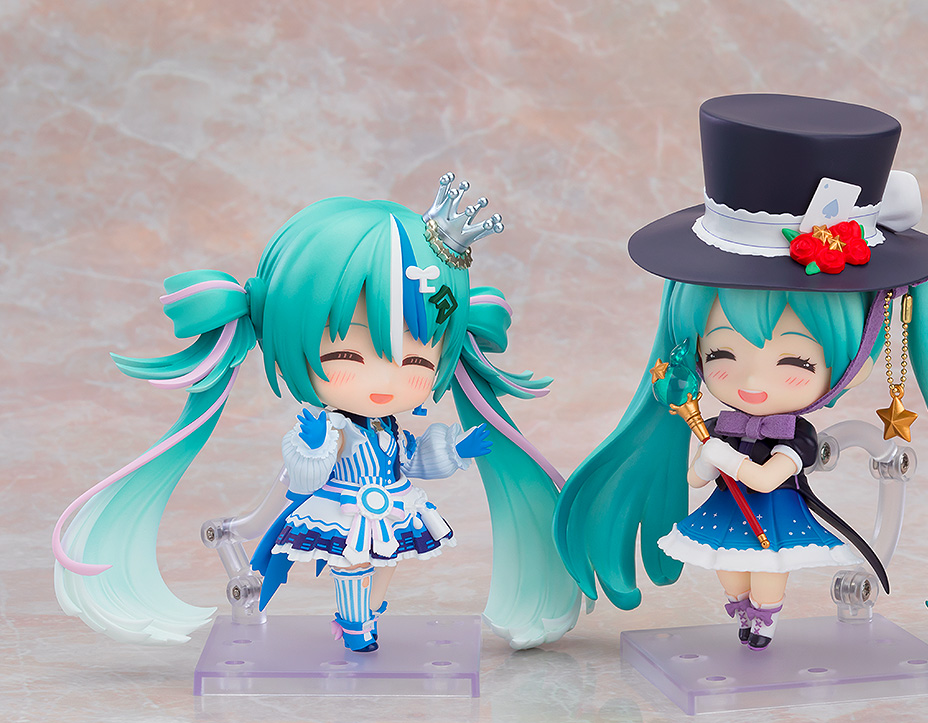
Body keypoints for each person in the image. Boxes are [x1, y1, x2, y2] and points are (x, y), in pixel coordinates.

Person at [554, 94, 928, 649]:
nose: (751, 383)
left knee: (768, 574)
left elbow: (769, 479)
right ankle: (742, 613)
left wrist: (724, 457)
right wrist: (707, 457)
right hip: (728, 513)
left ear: (854, 366)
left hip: (774, 514)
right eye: (720, 356)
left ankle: (762, 619)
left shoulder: (794, 436)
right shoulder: (718, 422)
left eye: (794, 362)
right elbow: (695, 478)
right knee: (731, 573)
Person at [54, 174, 580, 651]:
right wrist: (312, 445)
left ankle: (371, 612)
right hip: (342, 505)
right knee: (352, 564)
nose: (385, 379)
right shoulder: (332, 425)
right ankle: (355, 624)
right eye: (350, 354)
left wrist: (454, 451)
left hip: (390, 504)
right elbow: (301, 479)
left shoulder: (390, 428)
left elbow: (412, 458)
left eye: (417, 361)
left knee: (387, 565)